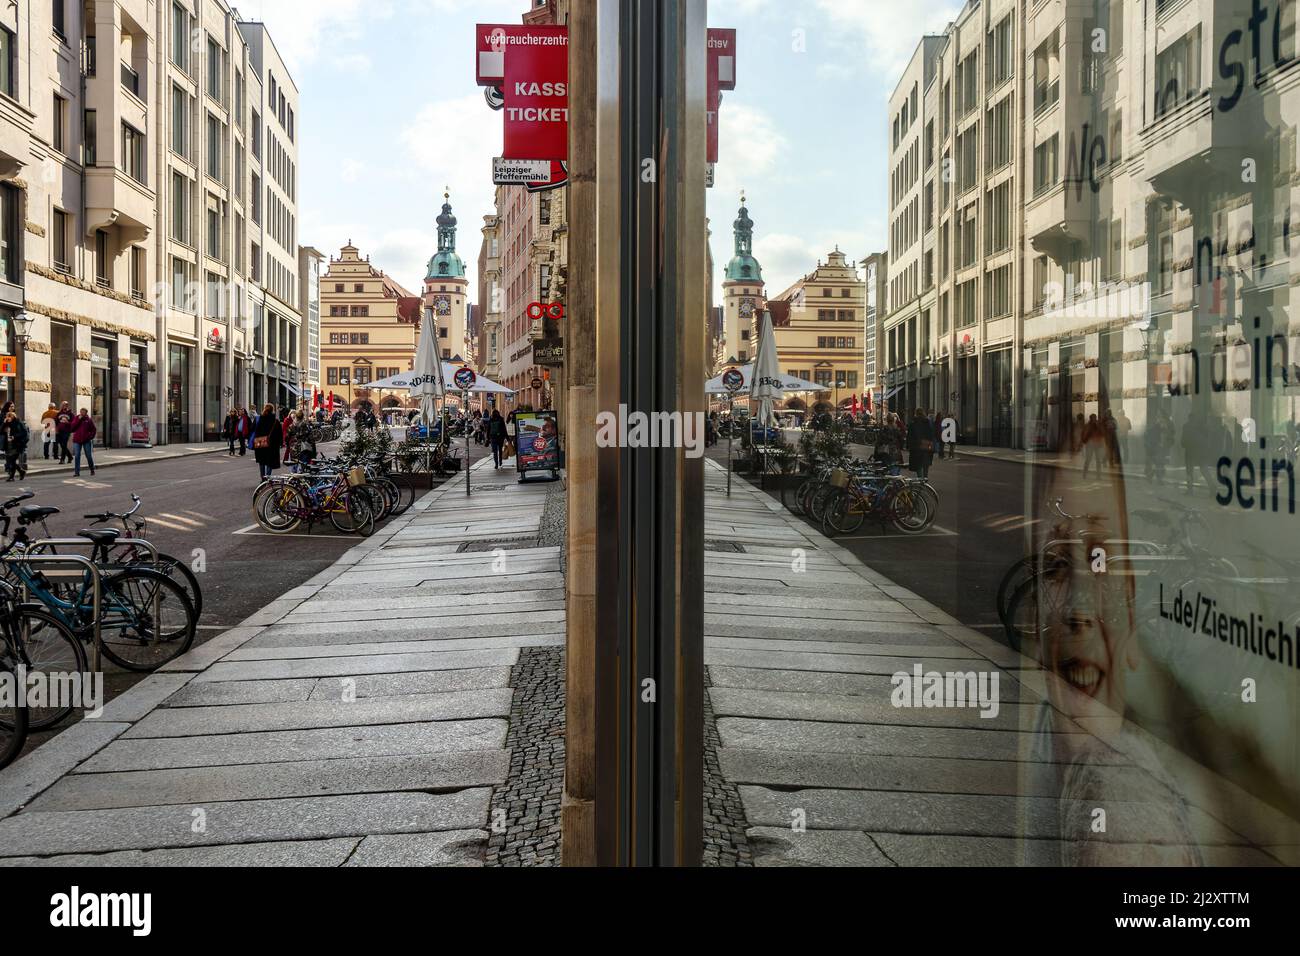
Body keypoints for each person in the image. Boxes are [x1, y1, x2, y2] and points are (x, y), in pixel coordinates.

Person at [251, 404, 282, 480]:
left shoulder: (259, 419)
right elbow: (279, 434)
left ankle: (263, 477)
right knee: (269, 462)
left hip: (260, 443)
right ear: (272, 410)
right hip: (272, 445)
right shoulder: (275, 421)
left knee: (262, 462)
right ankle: (268, 477)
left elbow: (253, 429)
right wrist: (280, 443)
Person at [906, 408, 935, 479]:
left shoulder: (913, 424)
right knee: (925, 465)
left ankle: (921, 481)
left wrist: (908, 446)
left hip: (917, 448)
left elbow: (909, 436)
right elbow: (931, 434)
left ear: (916, 414)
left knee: (918, 466)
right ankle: (924, 480)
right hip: (926, 447)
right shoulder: (928, 423)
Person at [2, 409, 29, 481]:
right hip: (8, 445)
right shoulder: (7, 424)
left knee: (12, 460)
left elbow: (24, 433)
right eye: (7, 416)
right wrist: (4, 423)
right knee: (11, 461)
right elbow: (1, 431)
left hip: (17, 444)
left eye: (9, 416)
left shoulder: (18, 423)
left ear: (13, 417)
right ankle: (21, 472)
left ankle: (12, 476)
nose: (8, 418)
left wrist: (14, 436)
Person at [70, 407, 96, 477]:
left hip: (86, 440)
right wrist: (78, 420)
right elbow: (72, 428)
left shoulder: (89, 420)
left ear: (86, 413)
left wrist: (90, 437)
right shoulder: (76, 418)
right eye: (81, 412)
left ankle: (92, 469)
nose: (82, 413)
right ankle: (77, 472)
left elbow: (93, 430)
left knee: (88, 456)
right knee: (77, 456)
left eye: (83, 412)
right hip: (77, 440)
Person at [1081, 413, 1105, 478]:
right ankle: (1084, 474)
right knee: (1088, 459)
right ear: (1091, 419)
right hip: (1090, 445)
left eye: (1095, 418)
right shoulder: (1087, 426)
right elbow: (1083, 434)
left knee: (1098, 460)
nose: (1095, 419)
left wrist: (1098, 426)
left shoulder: (1098, 425)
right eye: (1093, 418)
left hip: (1097, 444)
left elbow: (1102, 433)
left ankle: (1098, 475)